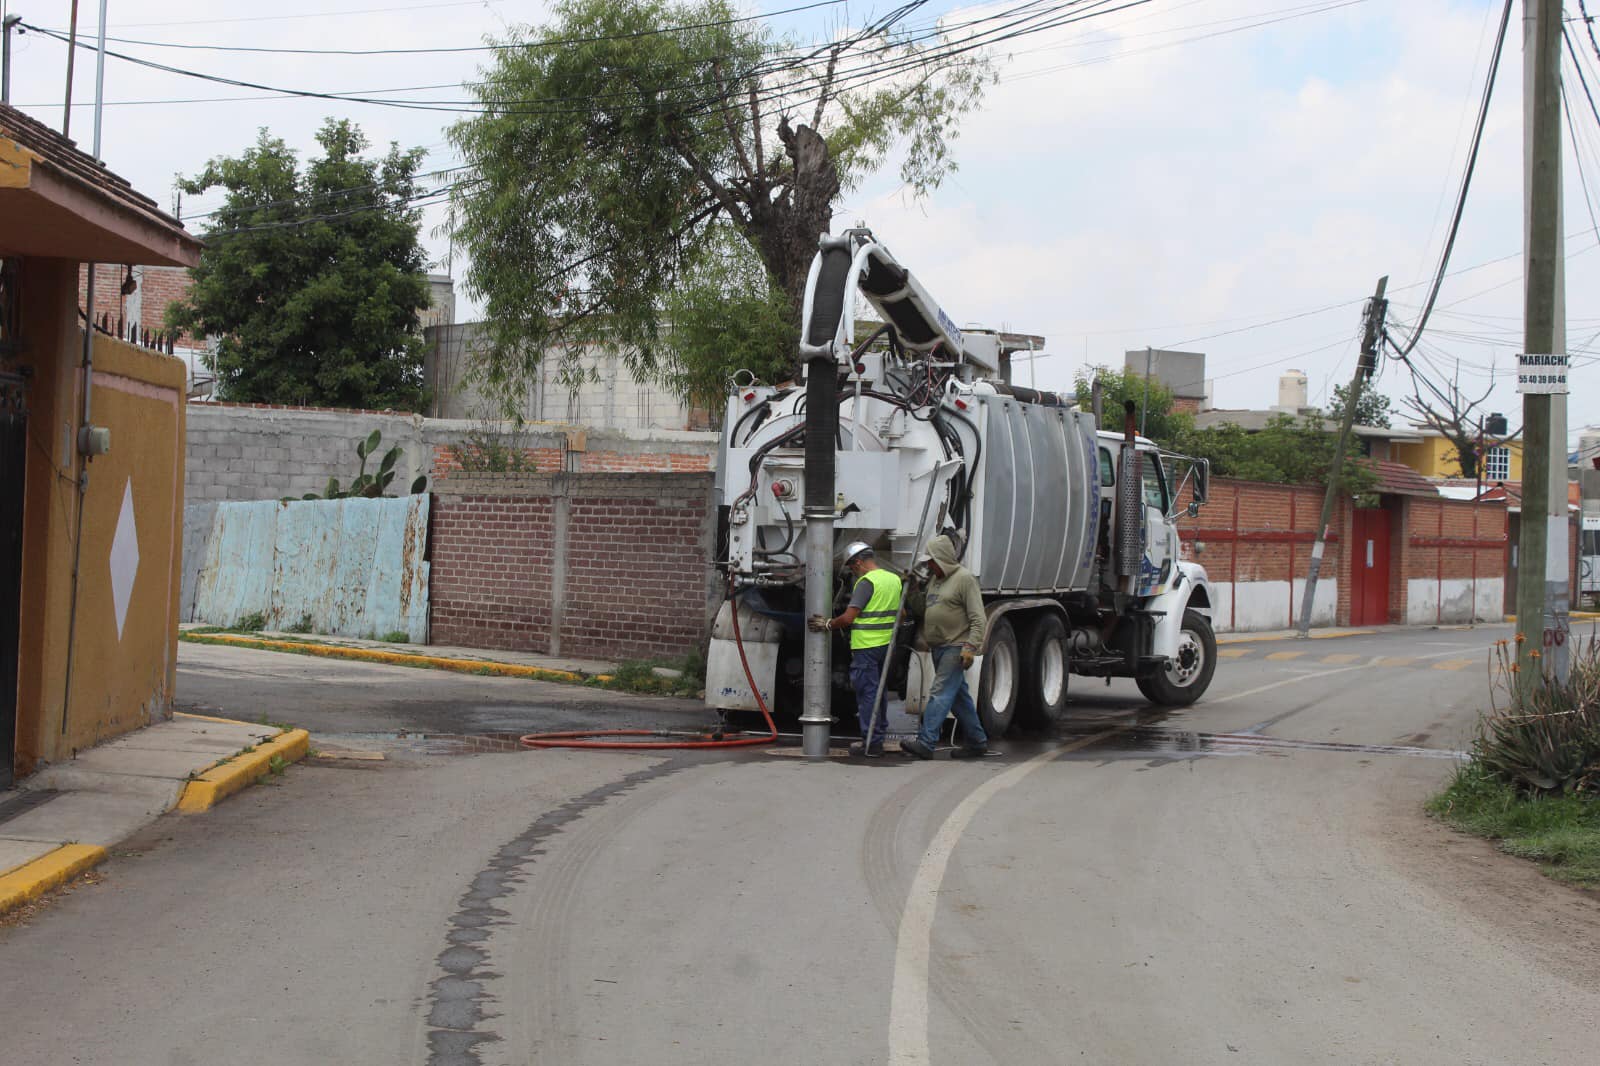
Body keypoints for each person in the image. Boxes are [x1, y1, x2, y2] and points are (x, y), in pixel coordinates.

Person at [808, 541, 902, 758]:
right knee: (879, 693)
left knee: (867, 694)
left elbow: (849, 617)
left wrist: (828, 624)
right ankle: (877, 735)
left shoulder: (866, 582)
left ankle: (871, 742)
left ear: (859, 562)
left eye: (852, 567)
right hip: (887, 646)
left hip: (866, 647)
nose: (853, 571)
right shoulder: (893, 579)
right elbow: (902, 613)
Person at [900, 534, 989, 760]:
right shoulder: (935, 581)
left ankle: (926, 742)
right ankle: (977, 741)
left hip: (955, 646)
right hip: (938, 647)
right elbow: (923, 609)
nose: (929, 565)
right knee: (959, 698)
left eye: (932, 561)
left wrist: (970, 646)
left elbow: (979, 618)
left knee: (939, 694)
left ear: (942, 559)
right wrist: (911, 590)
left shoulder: (965, 579)